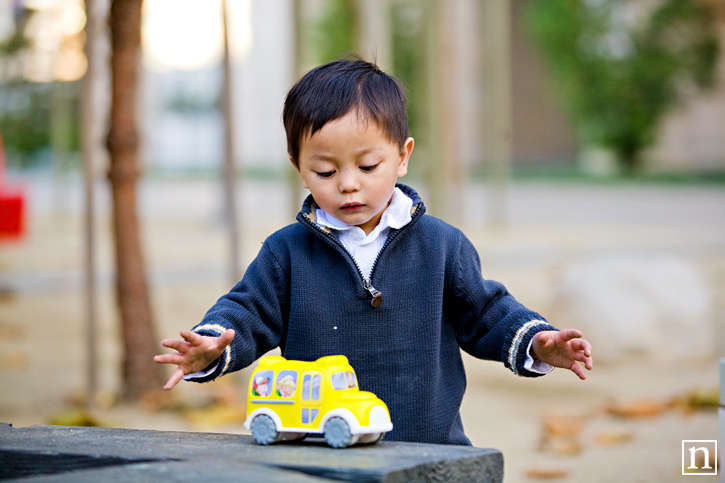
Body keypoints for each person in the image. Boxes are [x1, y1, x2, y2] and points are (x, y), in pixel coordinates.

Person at [154, 59, 593, 445]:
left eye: (368, 167)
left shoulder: (441, 245)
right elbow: (246, 311)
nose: (348, 183)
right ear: (299, 169)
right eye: (324, 170)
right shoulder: (287, 252)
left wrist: (538, 342)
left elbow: (488, 313)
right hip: (321, 447)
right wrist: (211, 344)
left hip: (429, 445)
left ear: (402, 157)